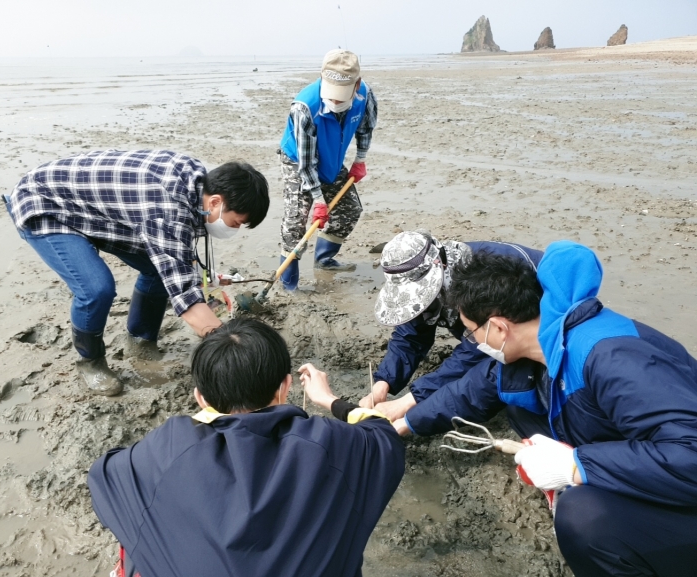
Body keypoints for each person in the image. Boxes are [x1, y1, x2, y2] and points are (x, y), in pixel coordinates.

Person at [405, 241, 697, 577]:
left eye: (472, 334)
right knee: (520, 405)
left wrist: (576, 466)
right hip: (652, 461)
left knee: (581, 516)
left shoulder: (612, 358)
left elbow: (690, 455)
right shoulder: (545, 337)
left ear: (499, 327)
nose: (476, 344)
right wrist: (402, 422)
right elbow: (471, 391)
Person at [88, 317, 405, 577]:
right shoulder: (332, 442)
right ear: (285, 387)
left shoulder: (171, 446)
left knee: (138, 528)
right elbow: (382, 432)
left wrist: (204, 421)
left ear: (201, 398)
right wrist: (329, 399)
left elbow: (104, 475)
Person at [5, 149, 269, 396]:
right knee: (96, 288)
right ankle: (90, 362)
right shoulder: (167, 209)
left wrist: (205, 281)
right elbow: (184, 295)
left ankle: (140, 341)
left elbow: (177, 258)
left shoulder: (198, 186)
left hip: (96, 211)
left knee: (159, 269)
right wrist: (230, 345)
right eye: (236, 222)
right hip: (46, 204)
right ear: (216, 201)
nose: (234, 229)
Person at [359, 230, 542, 437]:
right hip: (495, 332)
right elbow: (410, 335)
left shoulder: (482, 280)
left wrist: (410, 401)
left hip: (535, 332)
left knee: (501, 380)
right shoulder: (437, 273)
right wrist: (383, 382)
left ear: (440, 265)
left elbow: (474, 352)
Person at [277, 49, 377, 289]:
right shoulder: (304, 107)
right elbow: (307, 163)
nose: (334, 103)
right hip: (298, 160)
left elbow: (366, 128)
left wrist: (360, 160)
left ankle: (324, 259)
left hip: (332, 157)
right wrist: (319, 200)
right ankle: (288, 284)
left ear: (356, 85)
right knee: (296, 222)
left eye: (341, 97)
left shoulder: (365, 96)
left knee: (350, 209)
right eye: (331, 96)